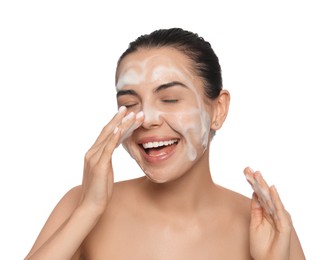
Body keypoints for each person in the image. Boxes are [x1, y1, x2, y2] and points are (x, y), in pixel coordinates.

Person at [25, 28, 305, 259]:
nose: (146, 120)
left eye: (169, 99)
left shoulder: (271, 228)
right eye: (129, 104)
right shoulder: (81, 203)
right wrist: (88, 211)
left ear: (218, 110)